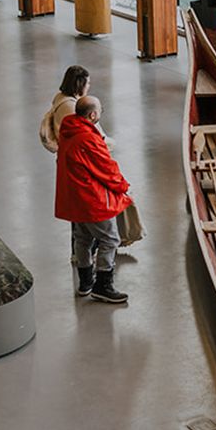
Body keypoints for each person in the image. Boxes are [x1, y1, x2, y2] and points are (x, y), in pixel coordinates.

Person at [55, 96, 131, 303]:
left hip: (74, 198)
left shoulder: (68, 132)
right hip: (92, 199)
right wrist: (123, 186)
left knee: (83, 238)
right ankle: (103, 285)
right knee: (110, 239)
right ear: (93, 115)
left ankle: (85, 282)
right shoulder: (87, 138)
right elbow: (106, 168)